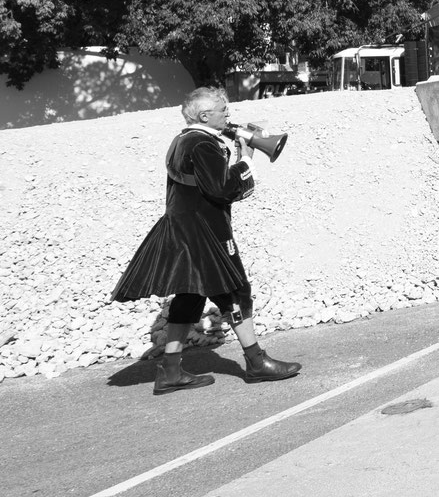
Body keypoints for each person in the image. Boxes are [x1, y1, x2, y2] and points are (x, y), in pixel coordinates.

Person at [112, 87, 301, 394]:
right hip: (206, 234)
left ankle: (170, 370)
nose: (228, 114)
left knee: (191, 296)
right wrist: (247, 158)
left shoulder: (182, 140)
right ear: (204, 115)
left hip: (182, 230)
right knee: (236, 291)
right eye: (223, 110)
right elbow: (222, 188)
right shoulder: (203, 143)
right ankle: (256, 362)